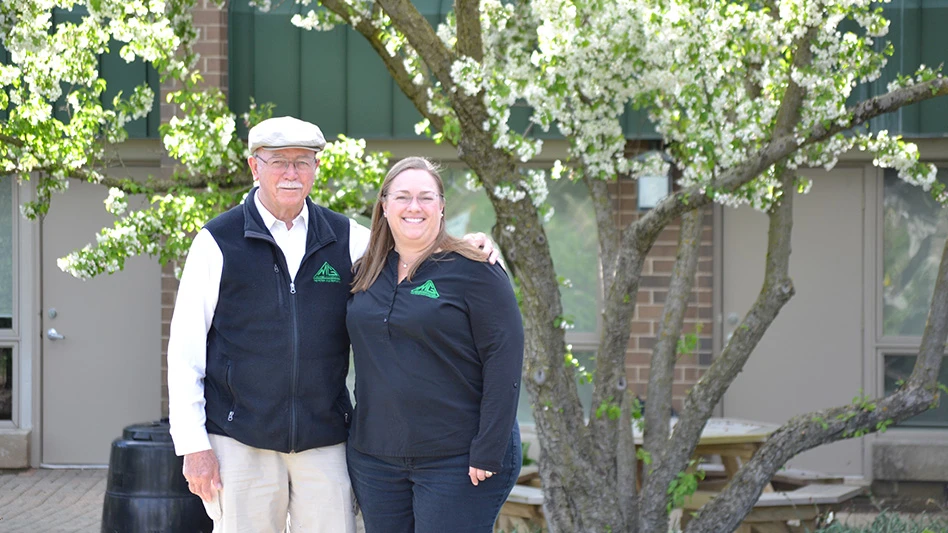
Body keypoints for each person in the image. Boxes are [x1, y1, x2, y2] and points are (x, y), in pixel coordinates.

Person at [167, 118, 496, 533]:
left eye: (303, 162)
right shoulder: (217, 242)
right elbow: (185, 354)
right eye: (279, 163)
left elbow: (416, 245)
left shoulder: (347, 238)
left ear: (316, 168)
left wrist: (470, 245)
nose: (291, 174)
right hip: (240, 438)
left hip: (325, 439)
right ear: (255, 167)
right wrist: (194, 446)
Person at [346, 156, 524, 533]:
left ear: (442, 207)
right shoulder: (364, 271)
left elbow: (504, 361)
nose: (414, 207)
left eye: (426, 197)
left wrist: (489, 448)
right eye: (403, 197)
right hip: (376, 460)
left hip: (458, 460)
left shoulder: (476, 269)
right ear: (384, 205)